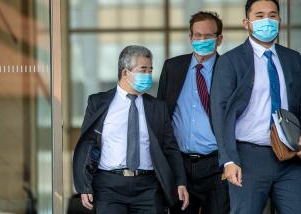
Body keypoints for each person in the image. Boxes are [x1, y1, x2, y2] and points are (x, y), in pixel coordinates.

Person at [73, 45, 189, 214]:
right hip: (108, 186)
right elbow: (87, 145)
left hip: (148, 187)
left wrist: (180, 182)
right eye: (143, 70)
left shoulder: (157, 107)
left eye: (150, 70)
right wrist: (84, 185)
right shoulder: (98, 103)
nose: (148, 75)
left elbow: (170, 148)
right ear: (125, 72)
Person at [210, 0, 301, 213]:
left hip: (290, 157)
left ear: (279, 20)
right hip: (248, 157)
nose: (267, 21)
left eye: (272, 15)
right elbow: (219, 112)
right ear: (246, 23)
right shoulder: (230, 61)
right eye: (259, 16)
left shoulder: (293, 59)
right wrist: (228, 159)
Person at [157, 11, 229, 214]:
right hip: (180, 166)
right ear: (190, 37)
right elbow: (162, 114)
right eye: (197, 35)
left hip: (217, 166)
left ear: (219, 39)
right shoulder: (173, 67)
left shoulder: (229, 68)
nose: (202, 40)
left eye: (208, 36)